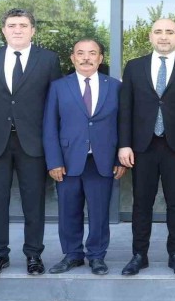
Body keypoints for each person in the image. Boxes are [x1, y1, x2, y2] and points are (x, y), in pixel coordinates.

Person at [0, 8, 62, 276]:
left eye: (23, 25)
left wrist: (53, 145)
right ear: (3, 30)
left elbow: (56, 104)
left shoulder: (48, 59)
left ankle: (34, 254)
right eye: (12, 25)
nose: (17, 30)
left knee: (34, 202)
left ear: (33, 30)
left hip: (33, 143)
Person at [118, 18, 175, 276]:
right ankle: (139, 254)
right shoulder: (134, 67)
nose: (164, 36)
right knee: (141, 203)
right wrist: (124, 144)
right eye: (158, 32)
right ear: (150, 36)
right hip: (142, 146)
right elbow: (125, 109)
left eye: (169, 32)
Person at [42, 39, 125, 275]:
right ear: (73, 58)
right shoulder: (58, 87)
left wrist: (119, 158)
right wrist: (54, 161)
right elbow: (50, 126)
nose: (86, 58)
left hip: (102, 160)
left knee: (99, 213)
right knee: (68, 211)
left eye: (92, 53)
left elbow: (122, 124)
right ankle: (72, 255)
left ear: (100, 58)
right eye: (80, 53)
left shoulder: (115, 87)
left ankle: (97, 256)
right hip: (67, 161)